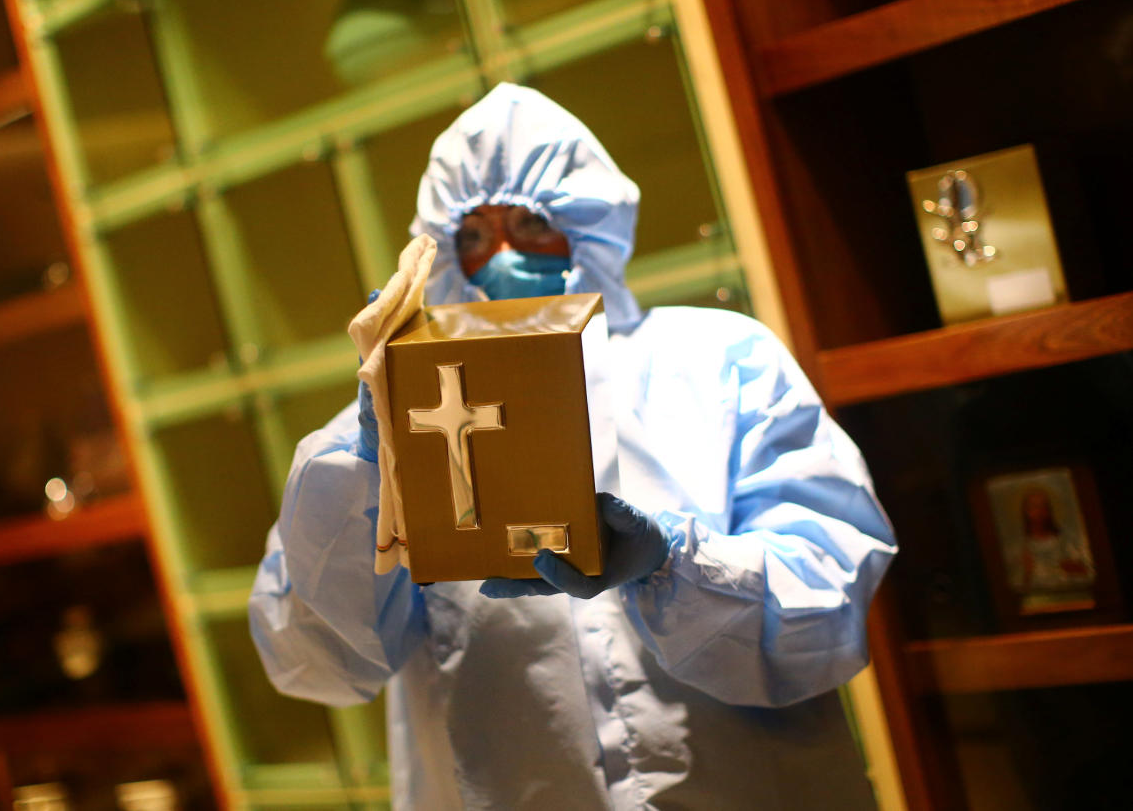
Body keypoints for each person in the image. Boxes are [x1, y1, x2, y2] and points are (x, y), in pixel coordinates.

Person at [249, 83, 897, 809]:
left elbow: (830, 606)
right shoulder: (400, 416)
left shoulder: (719, 362)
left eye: (529, 225)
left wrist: (675, 565)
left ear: (589, 227)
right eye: (471, 236)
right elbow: (314, 663)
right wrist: (367, 481)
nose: (499, 257)